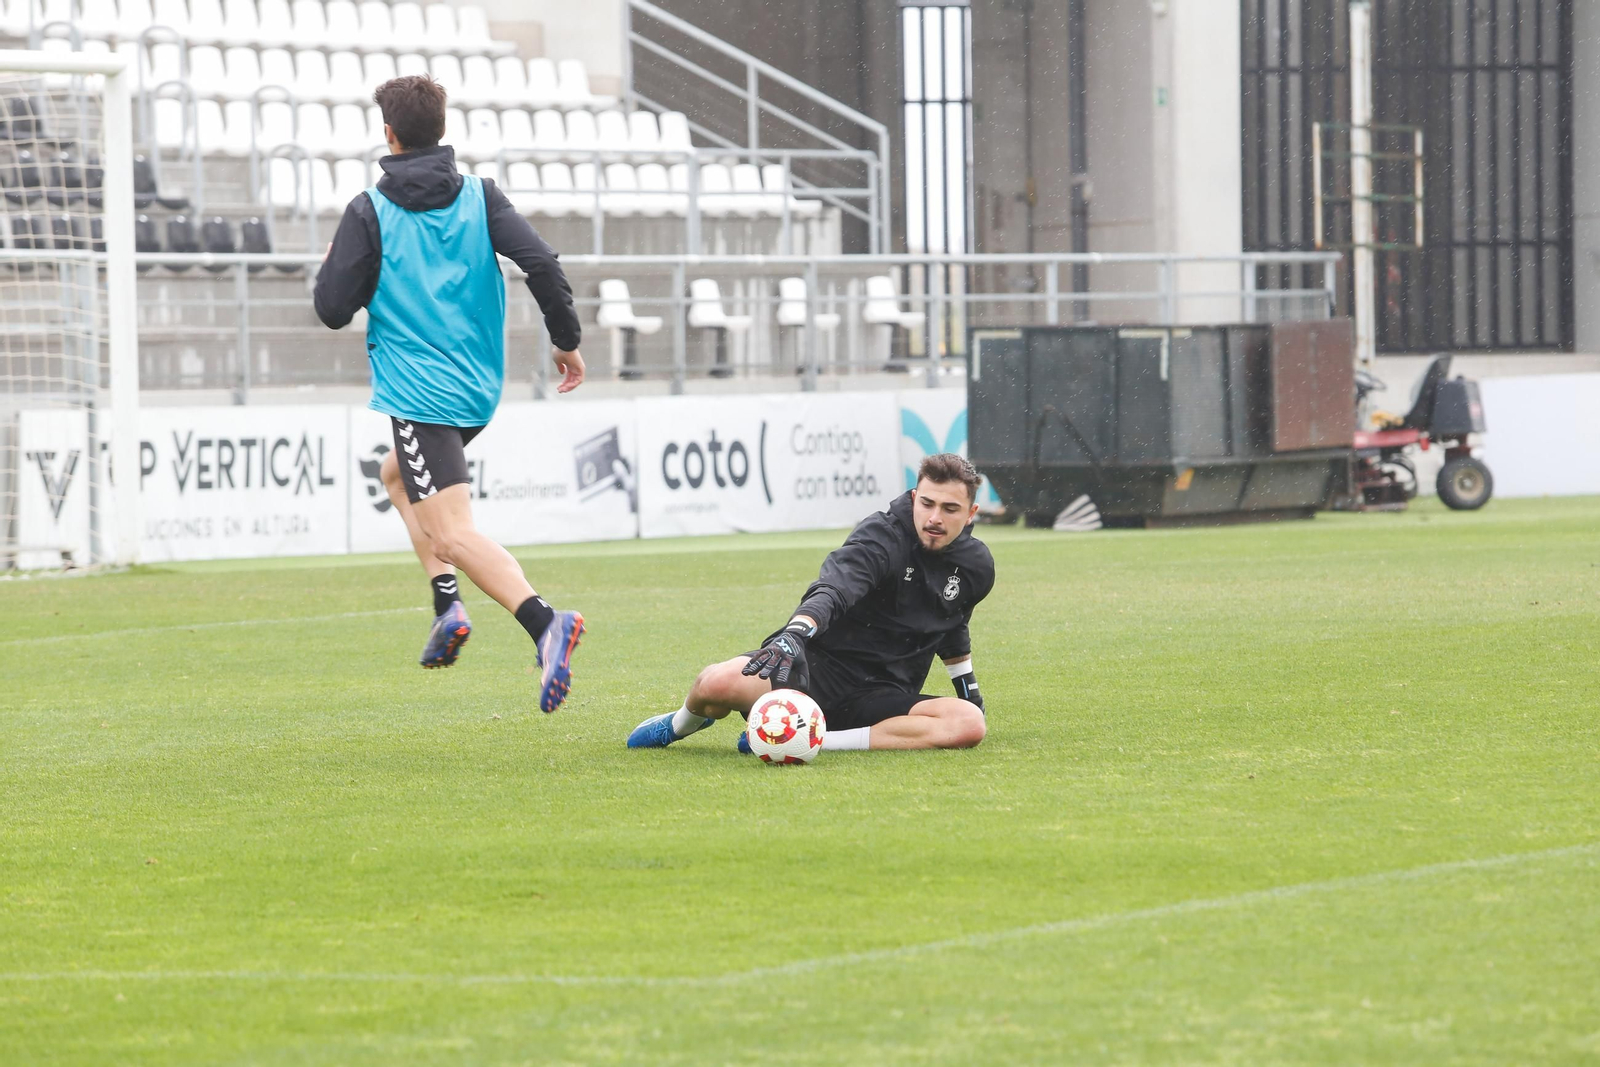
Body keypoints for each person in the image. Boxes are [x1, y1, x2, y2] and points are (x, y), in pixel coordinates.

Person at [313, 75, 586, 713]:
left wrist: (338, 263)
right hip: (476, 388)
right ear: (442, 130)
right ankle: (447, 605)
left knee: (454, 532)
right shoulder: (479, 197)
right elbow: (541, 263)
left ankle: (546, 624)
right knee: (398, 477)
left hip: (420, 394)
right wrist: (565, 338)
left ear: (389, 134)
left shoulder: (368, 212)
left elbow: (331, 309)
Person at [627, 454, 994, 752]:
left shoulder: (976, 566)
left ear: (971, 513)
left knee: (967, 724)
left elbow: (952, 628)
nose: (934, 518)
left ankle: (817, 740)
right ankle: (677, 725)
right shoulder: (881, 537)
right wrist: (795, 634)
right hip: (811, 672)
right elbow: (835, 588)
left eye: (949, 508)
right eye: (927, 503)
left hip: (885, 696)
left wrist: (969, 691)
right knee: (716, 684)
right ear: (914, 497)